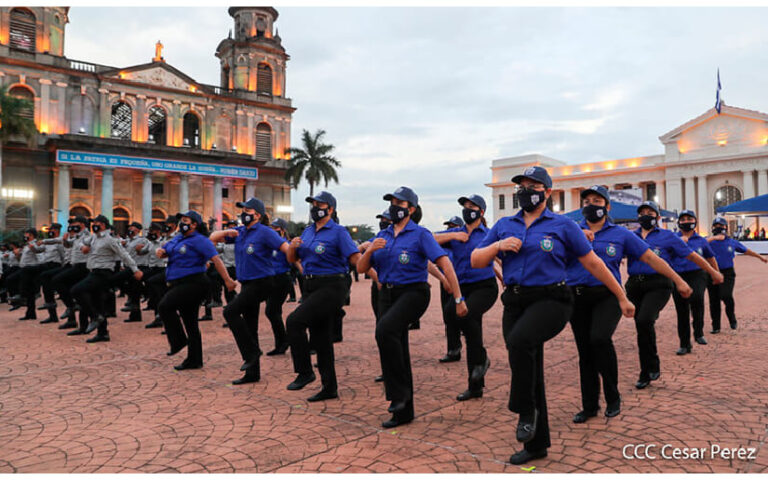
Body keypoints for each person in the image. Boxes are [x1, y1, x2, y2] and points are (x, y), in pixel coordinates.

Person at [471, 166, 635, 465]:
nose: (525, 190)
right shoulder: (504, 224)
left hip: (552, 299)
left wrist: (621, 296)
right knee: (526, 364)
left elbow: (594, 263)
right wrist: (497, 245)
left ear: (547, 192)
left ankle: (522, 408)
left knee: (520, 343)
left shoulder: (563, 226)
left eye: (533, 185)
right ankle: (537, 444)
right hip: (515, 302)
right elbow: (476, 258)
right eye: (521, 185)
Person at [566, 186, 693, 424]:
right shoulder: (571, 230)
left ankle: (613, 397)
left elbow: (651, 258)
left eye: (597, 200)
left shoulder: (622, 234)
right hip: (577, 296)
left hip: (608, 295)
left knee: (599, 339)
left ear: (607, 206)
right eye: (587, 201)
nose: (591, 205)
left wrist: (679, 280)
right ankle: (590, 405)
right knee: (585, 352)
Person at [358, 186, 466, 428]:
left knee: (385, 331)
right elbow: (361, 268)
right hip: (387, 293)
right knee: (396, 340)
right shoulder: (383, 236)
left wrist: (458, 297)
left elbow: (444, 263)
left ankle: (398, 396)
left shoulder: (421, 234)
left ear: (412, 209)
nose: (395, 206)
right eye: (392, 202)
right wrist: (371, 250)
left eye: (400, 203)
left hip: (414, 293)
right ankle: (404, 410)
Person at [625, 201, 723, 389]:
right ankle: (649, 365)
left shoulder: (668, 236)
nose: (646, 215)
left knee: (645, 320)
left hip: (659, 284)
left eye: (650, 212)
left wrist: (712, 271)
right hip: (635, 284)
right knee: (641, 325)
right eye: (642, 213)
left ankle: (648, 369)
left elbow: (692, 256)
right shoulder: (630, 236)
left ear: (658, 217)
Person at [285, 191, 361, 402]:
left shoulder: (338, 232)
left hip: (332, 285)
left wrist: (374, 270)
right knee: (321, 338)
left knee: (294, 321)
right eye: (313, 204)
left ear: (331, 209)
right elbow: (293, 258)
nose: (315, 207)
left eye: (320, 204)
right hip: (310, 285)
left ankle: (305, 372)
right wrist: (292, 248)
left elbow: (355, 258)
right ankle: (329, 387)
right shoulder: (307, 232)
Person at [210, 198, 289, 384]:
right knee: (250, 325)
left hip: (263, 282)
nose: (244, 213)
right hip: (247, 283)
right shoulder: (240, 232)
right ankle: (253, 373)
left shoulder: (265, 232)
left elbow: (285, 247)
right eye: (242, 210)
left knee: (230, 311)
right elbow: (212, 238)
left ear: (258, 215)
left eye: (248, 210)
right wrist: (225, 231)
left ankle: (251, 352)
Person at [434, 195, 499, 401]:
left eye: (472, 206)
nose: (467, 209)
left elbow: (498, 254)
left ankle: (480, 363)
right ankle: (476, 384)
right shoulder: (456, 232)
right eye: (465, 206)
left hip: (485, 286)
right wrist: (452, 237)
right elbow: (429, 239)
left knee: (467, 316)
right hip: (462, 288)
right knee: (456, 319)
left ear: (481, 212)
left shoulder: (487, 234)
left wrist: (504, 276)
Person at [157, 210, 236, 370]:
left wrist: (227, 280)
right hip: (178, 282)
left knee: (164, 306)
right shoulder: (178, 238)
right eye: (182, 221)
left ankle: (179, 341)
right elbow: (167, 251)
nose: (182, 224)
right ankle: (194, 359)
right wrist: (161, 252)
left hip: (194, 283)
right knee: (190, 321)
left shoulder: (200, 240)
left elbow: (216, 259)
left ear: (194, 224)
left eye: (186, 220)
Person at [71, 215, 143, 343]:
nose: (94, 225)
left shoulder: (110, 240)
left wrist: (135, 269)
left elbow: (124, 254)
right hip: (93, 272)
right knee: (98, 302)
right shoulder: (93, 238)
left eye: (97, 223)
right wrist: (83, 247)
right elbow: (80, 242)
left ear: (103, 225)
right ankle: (103, 333)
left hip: (103, 273)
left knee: (76, 290)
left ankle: (94, 317)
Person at [707, 216, 768, 332]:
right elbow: (697, 247)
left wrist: (760, 257)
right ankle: (716, 326)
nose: (718, 228)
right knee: (713, 300)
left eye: (721, 226)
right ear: (712, 228)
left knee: (726, 295)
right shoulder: (709, 241)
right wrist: (712, 238)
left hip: (727, 273)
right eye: (716, 226)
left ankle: (732, 318)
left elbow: (746, 251)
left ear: (726, 227)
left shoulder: (731, 242)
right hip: (712, 273)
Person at [671, 210, 719, 354]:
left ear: (695, 221)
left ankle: (698, 332)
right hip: (678, 276)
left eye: (689, 219)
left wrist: (716, 273)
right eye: (683, 219)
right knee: (682, 309)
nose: (686, 222)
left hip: (697, 274)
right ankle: (684, 344)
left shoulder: (701, 240)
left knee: (697, 298)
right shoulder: (672, 238)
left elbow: (710, 258)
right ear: (679, 223)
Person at [55, 216, 92, 333]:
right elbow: (69, 245)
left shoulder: (87, 236)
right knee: (77, 294)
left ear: (82, 224)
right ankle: (74, 318)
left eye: (75, 224)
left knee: (59, 281)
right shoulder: (77, 235)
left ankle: (81, 321)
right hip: (75, 266)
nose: (72, 226)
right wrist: (65, 240)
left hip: (84, 267)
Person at [265, 217, 295, 355]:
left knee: (272, 311)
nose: (273, 230)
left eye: (276, 228)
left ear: (282, 230)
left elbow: (295, 261)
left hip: (282, 279)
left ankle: (283, 342)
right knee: (273, 311)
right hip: (270, 279)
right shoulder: (270, 245)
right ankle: (282, 341)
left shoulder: (286, 245)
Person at [437, 215, 464, 364]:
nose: (449, 229)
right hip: (445, 284)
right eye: (448, 226)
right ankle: (453, 349)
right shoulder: (444, 244)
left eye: (453, 226)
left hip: (459, 283)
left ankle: (455, 348)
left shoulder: (461, 244)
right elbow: (432, 237)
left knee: (453, 313)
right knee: (448, 317)